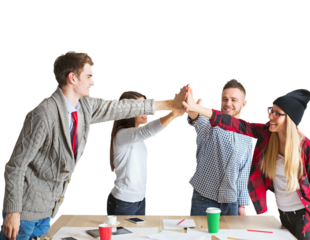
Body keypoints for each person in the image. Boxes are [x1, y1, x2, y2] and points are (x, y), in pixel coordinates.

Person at [1, 49, 188, 240]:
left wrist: (170, 104)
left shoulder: (85, 107)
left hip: (48, 210)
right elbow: (16, 165)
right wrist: (13, 211)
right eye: (89, 76)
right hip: (24, 213)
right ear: (72, 78)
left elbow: (123, 107)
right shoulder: (44, 113)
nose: (93, 82)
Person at [182, 84, 310, 240]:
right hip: (282, 215)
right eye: (271, 110)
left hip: (305, 217)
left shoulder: (308, 148)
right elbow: (233, 123)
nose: (270, 116)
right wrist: (196, 107)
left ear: (290, 118)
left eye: (277, 113)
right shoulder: (266, 133)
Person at [107, 89, 186, 215]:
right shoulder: (122, 134)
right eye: (140, 108)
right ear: (127, 111)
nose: (145, 112)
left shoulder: (136, 134)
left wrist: (177, 113)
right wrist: (174, 112)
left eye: (145, 107)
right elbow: (148, 130)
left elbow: (153, 129)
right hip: (123, 203)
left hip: (139, 201)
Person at [185, 77, 253, 216]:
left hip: (231, 203)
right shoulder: (211, 123)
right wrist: (192, 106)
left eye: (234, 100)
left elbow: (244, 173)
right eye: (225, 99)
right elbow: (196, 117)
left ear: (243, 104)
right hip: (204, 199)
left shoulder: (248, 135)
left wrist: (242, 206)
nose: (228, 103)